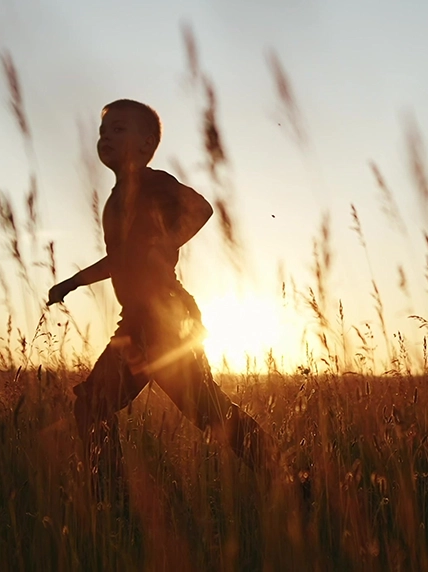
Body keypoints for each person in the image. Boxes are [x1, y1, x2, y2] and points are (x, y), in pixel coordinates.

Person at [48, 99, 268, 505]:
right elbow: (121, 259)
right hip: (140, 320)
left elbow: (201, 207)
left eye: (118, 129)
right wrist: (75, 281)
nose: (106, 136)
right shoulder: (117, 199)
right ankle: (290, 480)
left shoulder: (151, 182)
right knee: (202, 411)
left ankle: (111, 504)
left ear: (147, 144)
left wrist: (168, 241)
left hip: (160, 318)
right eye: (103, 131)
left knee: (103, 407)